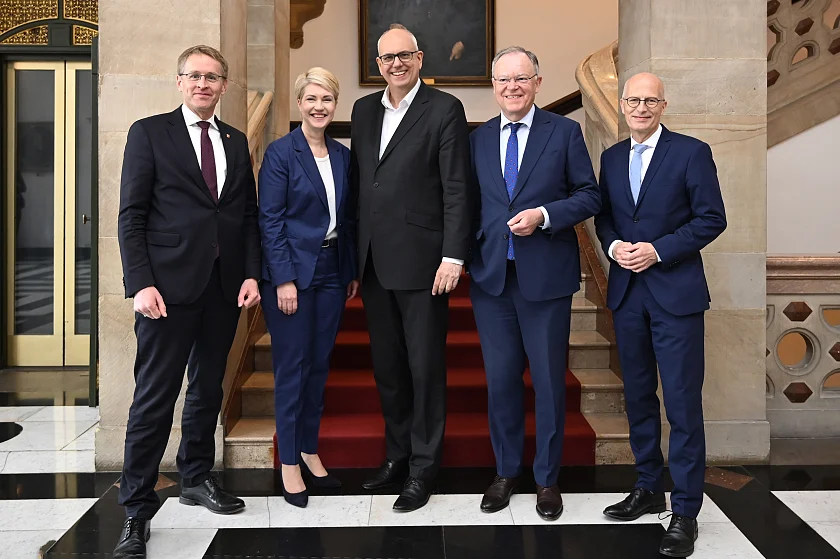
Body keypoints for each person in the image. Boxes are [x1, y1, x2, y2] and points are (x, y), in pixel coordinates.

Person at [115, 45, 261, 558]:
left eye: (212, 77)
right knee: (154, 398)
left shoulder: (235, 141)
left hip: (223, 288)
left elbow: (246, 216)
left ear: (224, 86)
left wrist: (251, 273)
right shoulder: (149, 133)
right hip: (166, 291)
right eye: (194, 75)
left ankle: (196, 477)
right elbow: (131, 214)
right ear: (180, 81)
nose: (203, 84)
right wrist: (141, 283)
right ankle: (136, 509)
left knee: (206, 390)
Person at [594, 72, 726, 557]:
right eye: (633, 100)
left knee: (683, 404)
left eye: (650, 100)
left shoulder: (691, 152)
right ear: (622, 104)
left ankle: (685, 510)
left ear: (663, 105)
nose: (641, 108)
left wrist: (658, 250)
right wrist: (613, 247)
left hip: (676, 295)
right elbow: (605, 217)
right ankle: (648, 486)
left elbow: (712, 218)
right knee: (638, 397)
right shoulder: (611, 158)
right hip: (627, 294)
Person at [468, 46, 600, 521]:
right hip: (492, 280)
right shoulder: (478, 138)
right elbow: (468, 203)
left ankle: (547, 478)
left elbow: (589, 195)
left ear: (538, 83)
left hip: (545, 280)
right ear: (494, 86)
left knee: (547, 383)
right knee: (501, 382)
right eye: (503, 80)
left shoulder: (564, 132)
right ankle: (506, 472)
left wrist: (544, 215)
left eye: (521, 78)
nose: (512, 87)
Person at [349, 24, 471, 512]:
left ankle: (423, 468)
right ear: (378, 64)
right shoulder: (362, 111)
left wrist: (453, 255)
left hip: (424, 263)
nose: (396, 64)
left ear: (420, 59)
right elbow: (362, 185)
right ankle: (396, 455)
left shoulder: (444, 109)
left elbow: (457, 187)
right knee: (389, 369)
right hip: (374, 263)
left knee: (424, 368)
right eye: (387, 58)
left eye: (404, 55)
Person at [258, 67, 358, 508]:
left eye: (327, 99)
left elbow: (348, 219)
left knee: (318, 366)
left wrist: (350, 270)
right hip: (293, 275)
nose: (320, 107)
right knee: (292, 368)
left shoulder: (342, 155)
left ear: (335, 104)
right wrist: (283, 278)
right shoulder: (281, 153)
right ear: (299, 103)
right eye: (312, 99)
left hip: (333, 271)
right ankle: (288, 461)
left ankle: (309, 448)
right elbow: (270, 221)